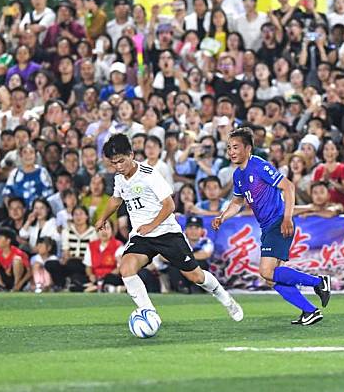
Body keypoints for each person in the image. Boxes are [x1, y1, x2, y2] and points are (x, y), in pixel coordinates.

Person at [95, 133, 243, 322]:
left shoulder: (148, 174)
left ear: (131, 154)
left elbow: (169, 205)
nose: (118, 166)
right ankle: (148, 312)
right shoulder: (120, 178)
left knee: (195, 276)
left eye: (121, 161)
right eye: (114, 163)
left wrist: (151, 225)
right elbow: (116, 200)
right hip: (141, 236)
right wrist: (102, 219)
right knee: (126, 268)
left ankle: (226, 298)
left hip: (166, 232)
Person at [213, 128, 331, 325]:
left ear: (248, 148)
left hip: (278, 223)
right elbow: (237, 202)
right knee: (272, 278)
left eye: (236, 147)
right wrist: (222, 216)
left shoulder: (259, 166)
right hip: (268, 227)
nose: (231, 152)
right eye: (229, 148)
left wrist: (287, 218)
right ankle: (310, 310)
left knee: (266, 272)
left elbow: (288, 187)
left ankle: (319, 282)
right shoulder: (238, 176)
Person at [83, 220, 124, 293]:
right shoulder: (91, 245)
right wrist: (91, 275)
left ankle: (97, 287)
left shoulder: (118, 245)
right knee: (77, 278)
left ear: (112, 230)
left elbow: (119, 268)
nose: (104, 231)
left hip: (111, 277)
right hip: (95, 277)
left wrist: (102, 279)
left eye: (107, 228)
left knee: (111, 278)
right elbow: (88, 267)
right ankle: (109, 288)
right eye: (101, 228)